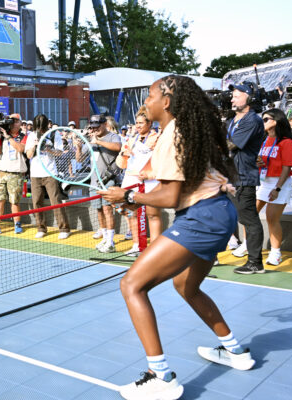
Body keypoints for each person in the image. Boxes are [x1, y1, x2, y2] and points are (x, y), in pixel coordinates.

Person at [99, 75, 254, 400]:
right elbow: (178, 177)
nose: (146, 103)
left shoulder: (173, 134)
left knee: (131, 285)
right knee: (186, 286)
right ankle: (235, 350)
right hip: (221, 214)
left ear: (166, 102)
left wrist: (128, 198)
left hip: (202, 218)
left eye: (151, 96)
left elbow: (170, 196)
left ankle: (161, 375)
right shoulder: (186, 130)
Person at [227, 82, 267, 274]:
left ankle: (255, 262)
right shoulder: (232, 120)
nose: (232, 98)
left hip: (243, 177)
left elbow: (230, 145)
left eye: (237, 95)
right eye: (232, 95)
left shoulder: (252, 120)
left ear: (249, 98)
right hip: (229, 177)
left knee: (249, 220)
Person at [116, 107, 163, 256]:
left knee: (152, 214)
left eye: (141, 123)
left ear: (149, 123)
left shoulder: (157, 138)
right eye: (136, 123)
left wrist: (150, 174)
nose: (138, 126)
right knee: (132, 214)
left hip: (150, 182)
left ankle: (155, 250)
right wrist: (124, 154)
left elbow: (162, 160)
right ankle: (137, 245)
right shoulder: (131, 139)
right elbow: (121, 164)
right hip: (131, 180)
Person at [253, 108, 292, 266]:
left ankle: (275, 253)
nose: (262, 122)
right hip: (264, 181)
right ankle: (247, 245)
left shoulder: (287, 142)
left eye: (266, 119)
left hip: (280, 182)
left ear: (276, 121)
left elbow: (286, 167)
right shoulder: (264, 140)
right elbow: (267, 161)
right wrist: (259, 162)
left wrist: (277, 189)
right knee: (249, 214)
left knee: (272, 218)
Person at [25, 114, 71, 239]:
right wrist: (35, 145)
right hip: (35, 174)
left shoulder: (53, 134)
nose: (40, 130)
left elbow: (59, 153)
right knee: (37, 202)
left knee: (55, 201)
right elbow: (28, 155)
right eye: (38, 127)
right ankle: (41, 228)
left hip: (50, 172)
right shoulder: (31, 135)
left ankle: (64, 228)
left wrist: (47, 147)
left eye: (42, 127)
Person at [86, 114, 122, 252]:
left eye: (97, 126)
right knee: (99, 210)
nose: (95, 129)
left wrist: (98, 142)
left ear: (104, 124)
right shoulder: (90, 139)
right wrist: (78, 147)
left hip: (108, 179)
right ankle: (105, 238)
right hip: (94, 181)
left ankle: (111, 241)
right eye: (92, 127)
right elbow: (79, 158)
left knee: (108, 209)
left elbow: (118, 147)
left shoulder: (113, 136)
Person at [0, 114, 27, 235]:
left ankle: (17, 224)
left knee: (14, 201)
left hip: (16, 172)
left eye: (16, 121)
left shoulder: (23, 136)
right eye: (11, 121)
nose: (13, 123)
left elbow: (20, 149)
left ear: (20, 123)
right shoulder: (1, 135)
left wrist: (8, 137)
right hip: (1, 171)